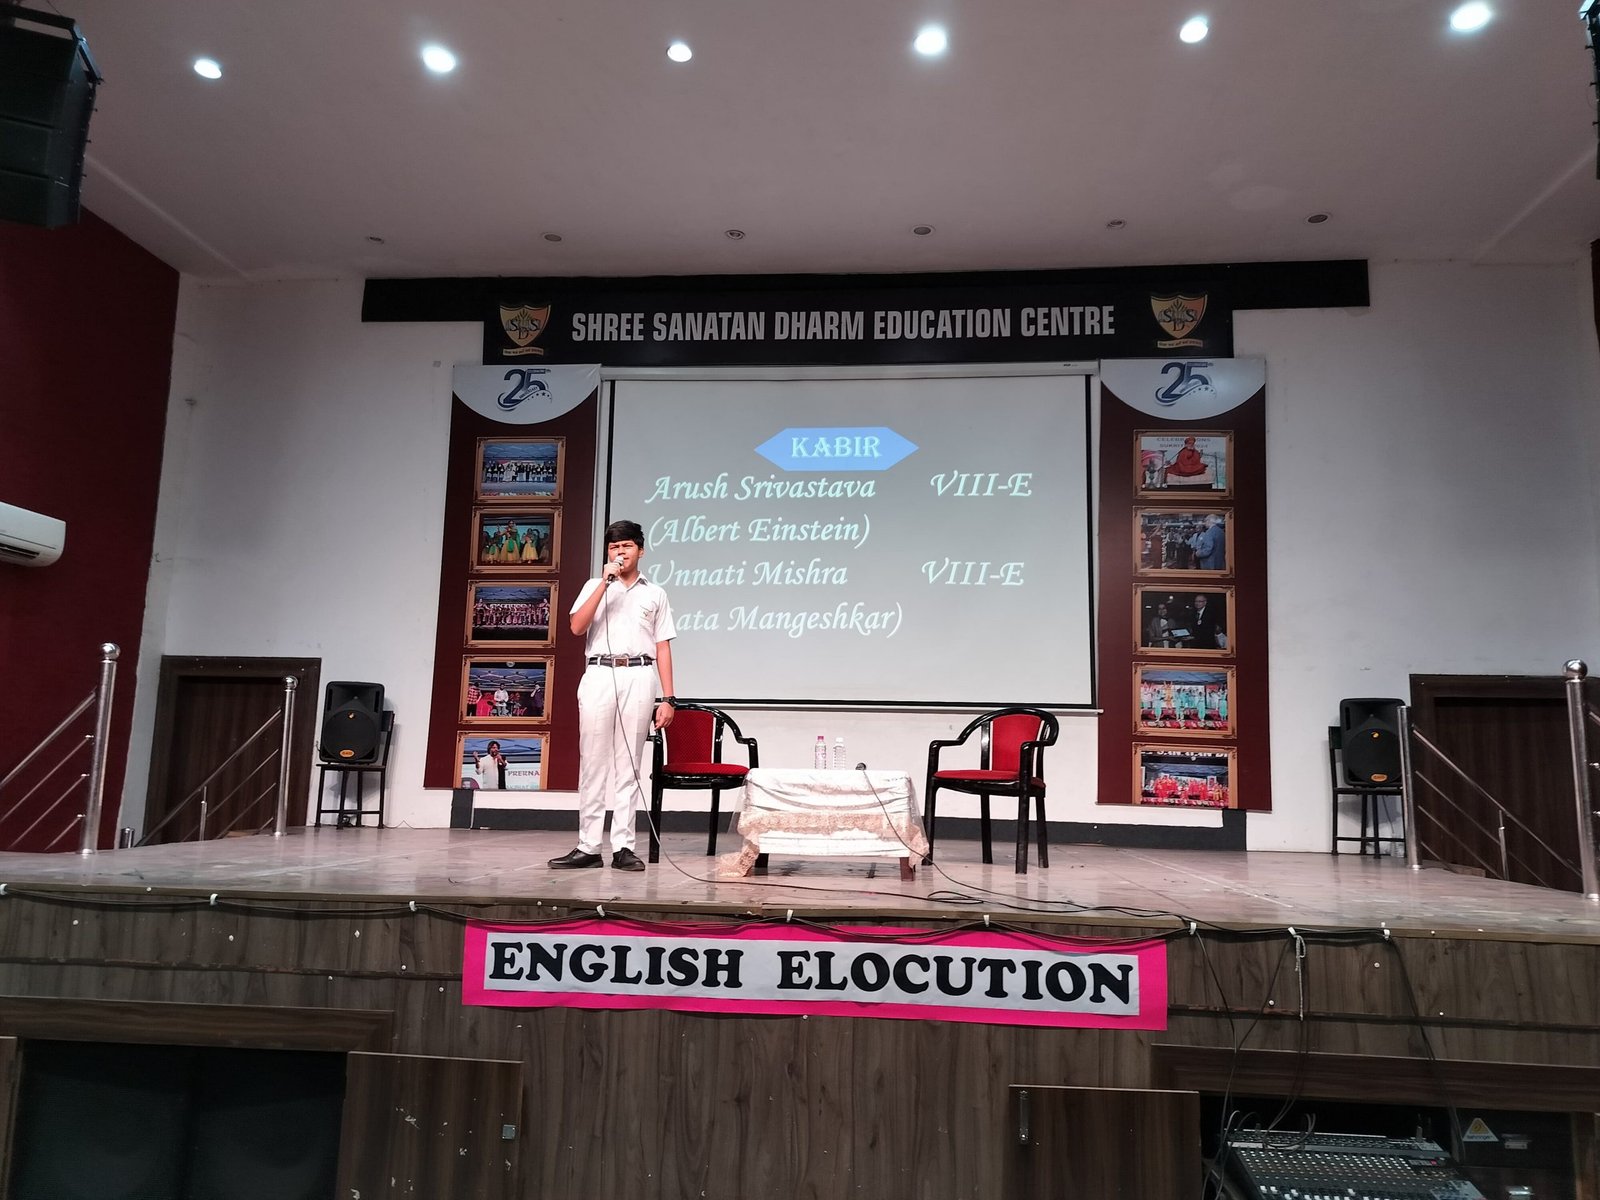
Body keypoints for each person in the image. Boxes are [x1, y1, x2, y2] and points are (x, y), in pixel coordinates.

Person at [549, 520, 676, 873]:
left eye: (626, 546)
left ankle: (623, 846)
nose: (620, 552)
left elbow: (662, 647)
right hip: (600, 674)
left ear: (641, 550)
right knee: (592, 762)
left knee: (629, 765)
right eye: (614, 547)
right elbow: (576, 627)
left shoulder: (655, 594)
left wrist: (669, 698)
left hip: (639, 673)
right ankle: (588, 845)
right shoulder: (594, 585)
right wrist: (604, 584)